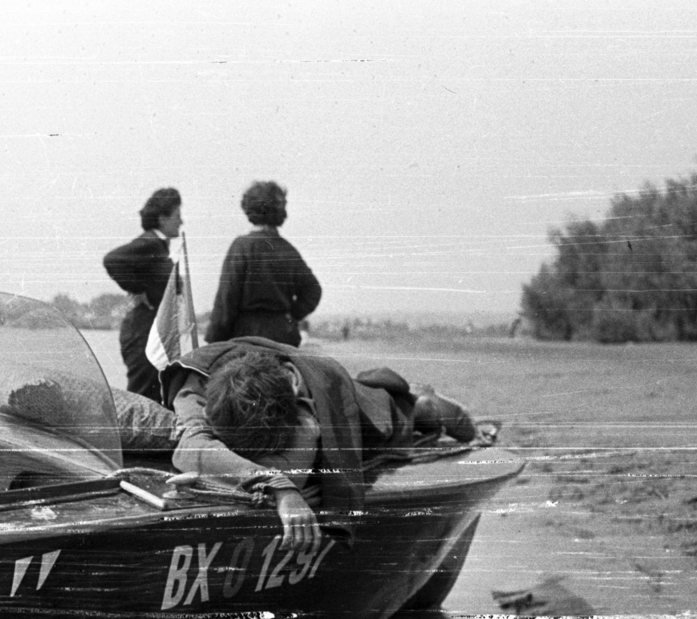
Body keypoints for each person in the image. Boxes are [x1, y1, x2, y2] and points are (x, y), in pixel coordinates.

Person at [163, 336, 485, 550]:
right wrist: (276, 485)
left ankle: (422, 402)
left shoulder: (322, 394)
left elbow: (340, 484)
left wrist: (290, 489)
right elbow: (190, 446)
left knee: (394, 417)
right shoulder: (197, 386)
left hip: (366, 409)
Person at [204, 181, 321, 347]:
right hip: (284, 337)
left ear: (249, 209)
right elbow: (313, 290)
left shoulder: (241, 246)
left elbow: (226, 299)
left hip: (247, 336)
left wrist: (213, 340)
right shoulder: (288, 250)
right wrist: (291, 315)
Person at [102, 188, 183, 402]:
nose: (181, 222)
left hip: (151, 332)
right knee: (143, 395)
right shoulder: (150, 243)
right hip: (142, 333)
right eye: (177, 216)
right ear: (162, 218)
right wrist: (137, 289)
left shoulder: (159, 246)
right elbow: (112, 259)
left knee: (152, 394)